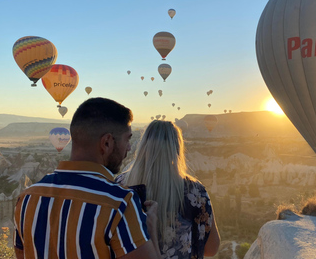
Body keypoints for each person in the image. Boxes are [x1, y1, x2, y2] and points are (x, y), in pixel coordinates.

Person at [13, 98, 160, 259]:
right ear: (106, 143)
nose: (130, 147)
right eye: (128, 139)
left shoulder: (27, 198)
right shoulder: (119, 203)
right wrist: (151, 232)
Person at [119, 120, 220, 259]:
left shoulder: (119, 185)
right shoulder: (195, 192)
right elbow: (211, 249)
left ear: (142, 147)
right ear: (177, 149)